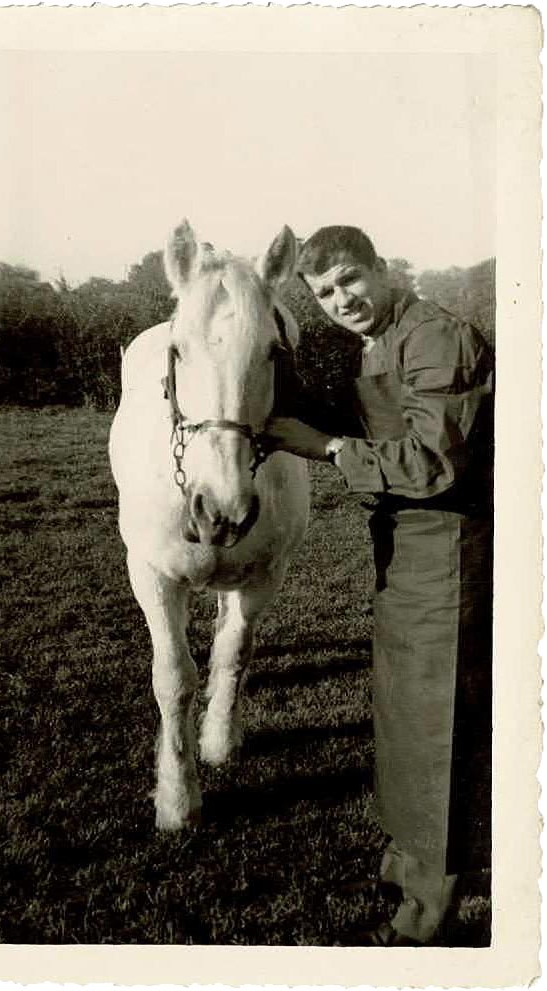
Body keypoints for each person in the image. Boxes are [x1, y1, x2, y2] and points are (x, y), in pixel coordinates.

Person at [265, 225, 494, 947]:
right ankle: (404, 859)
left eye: (350, 280)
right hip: (402, 550)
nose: (342, 300)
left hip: (451, 546)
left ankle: (431, 909)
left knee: (440, 724)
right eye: (326, 293)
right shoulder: (370, 343)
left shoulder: (434, 337)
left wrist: (330, 448)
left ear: (382, 267)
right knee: (405, 712)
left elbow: (434, 463)